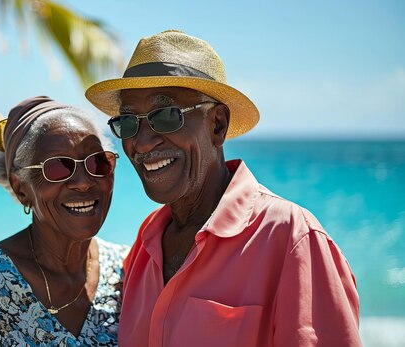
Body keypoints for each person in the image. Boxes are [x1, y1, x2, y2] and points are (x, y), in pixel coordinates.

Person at [85, 30, 361, 346]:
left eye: (165, 116)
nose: (142, 142)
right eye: (129, 122)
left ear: (217, 124)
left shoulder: (291, 237)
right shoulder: (146, 244)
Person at [0, 96, 127, 346]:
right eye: (58, 167)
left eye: (98, 162)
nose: (83, 182)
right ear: (21, 188)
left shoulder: (129, 269)